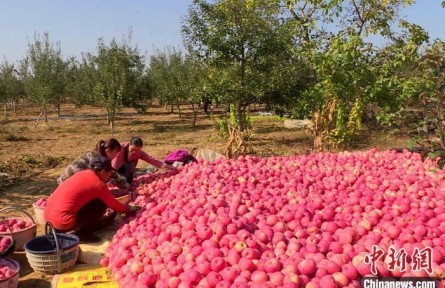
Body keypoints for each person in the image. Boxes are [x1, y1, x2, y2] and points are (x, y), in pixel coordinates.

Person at [44, 156, 139, 239]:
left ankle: (62, 230)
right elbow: (114, 206)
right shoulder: (98, 184)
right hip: (63, 222)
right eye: (110, 172)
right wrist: (129, 209)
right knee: (100, 203)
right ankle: (84, 235)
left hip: (49, 218)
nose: (110, 175)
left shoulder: (82, 173)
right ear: (102, 171)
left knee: (89, 200)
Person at [57, 138, 132, 191]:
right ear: (108, 150)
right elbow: (110, 174)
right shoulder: (97, 160)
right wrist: (125, 185)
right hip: (67, 185)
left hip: (67, 182)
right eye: (116, 152)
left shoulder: (95, 154)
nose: (116, 156)